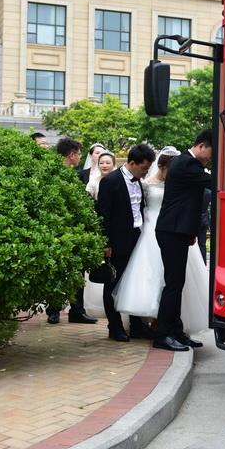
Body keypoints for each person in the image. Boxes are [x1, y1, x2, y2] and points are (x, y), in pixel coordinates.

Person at [114, 146, 209, 335]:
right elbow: (139, 206)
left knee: (175, 281)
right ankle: (154, 325)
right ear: (161, 166)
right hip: (153, 229)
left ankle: (170, 325)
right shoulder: (147, 183)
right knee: (155, 277)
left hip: (175, 229)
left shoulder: (176, 182)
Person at [154, 130, 213, 351]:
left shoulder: (184, 162)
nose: (210, 159)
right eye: (211, 153)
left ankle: (176, 331)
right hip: (172, 230)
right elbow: (214, 181)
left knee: (176, 283)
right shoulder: (189, 164)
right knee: (173, 284)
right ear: (201, 146)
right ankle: (162, 335)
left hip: (176, 230)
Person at [95, 143, 156, 342]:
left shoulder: (138, 181)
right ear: (132, 163)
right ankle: (115, 326)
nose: (145, 171)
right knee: (113, 283)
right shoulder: (110, 181)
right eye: (143, 167)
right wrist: (106, 243)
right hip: (118, 240)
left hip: (138, 238)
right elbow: (103, 214)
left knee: (136, 281)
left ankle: (137, 325)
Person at [47, 137, 97, 325]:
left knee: (77, 270)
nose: (80, 157)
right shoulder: (54, 173)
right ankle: (53, 309)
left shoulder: (76, 175)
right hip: (57, 228)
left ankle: (77, 309)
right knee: (57, 270)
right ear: (72, 155)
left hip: (75, 228)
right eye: (78, 154)